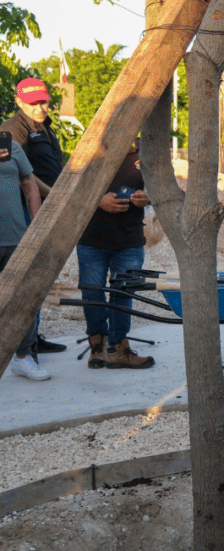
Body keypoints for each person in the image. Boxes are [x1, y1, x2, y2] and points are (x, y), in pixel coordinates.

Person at [0, 78, 67, 354]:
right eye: (33, 103)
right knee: (24, 282)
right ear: (19, 103)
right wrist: (52, 193)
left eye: (43, 101)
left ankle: (32, 338)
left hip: (45, 209)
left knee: (36, 279)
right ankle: (22, 345)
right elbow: (25, 177)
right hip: (26, 215)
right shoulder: (11, 131)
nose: (40, 107)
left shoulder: (44, 126)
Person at [78, 139, 155, 369]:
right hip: (93, 239)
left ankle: (119, 348)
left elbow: (161, 187)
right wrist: (97, 199)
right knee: (92, 293)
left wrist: (147, 197)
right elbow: (73, 187)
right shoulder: (94, 148)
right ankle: (97, 347)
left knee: (123, 293)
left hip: (129, 241)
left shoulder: (148, 150)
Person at [0, 136, 48, 380]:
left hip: (16, 238)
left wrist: (36, 228)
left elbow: (29, 184)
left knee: (25, 297)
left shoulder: (9, 146)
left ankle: (23, 357)